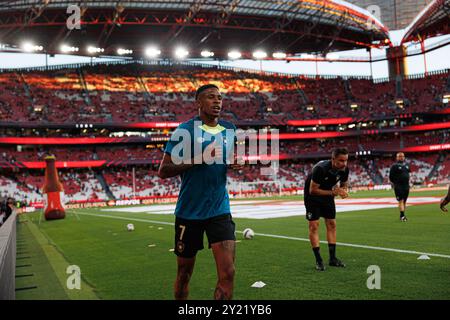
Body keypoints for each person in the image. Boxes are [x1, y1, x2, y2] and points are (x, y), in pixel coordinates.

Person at [158, 84, 241, 300]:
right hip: (189, 212)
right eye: (211, 97)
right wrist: (198, 159)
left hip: (219, 209)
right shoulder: (185, 131)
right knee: (184, 273)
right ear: (198, 103)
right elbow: (164, 170)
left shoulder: (229, 129)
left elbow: (227, 159)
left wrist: (234, 163)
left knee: (228, 272)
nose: (217, 102)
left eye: (220, 98)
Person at [304, 148, 349, 271]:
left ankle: (332, 259)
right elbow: (312, 190)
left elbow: (344, 184)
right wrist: (334, 192)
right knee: (314, 225)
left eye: (346, 160)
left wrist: (344, 191)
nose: (344, 163)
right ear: (333, 159)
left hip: (328, 194)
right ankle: (318, 260)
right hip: (312, 197)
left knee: (332, 224)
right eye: (341, 160)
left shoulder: (345, 169)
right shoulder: (321, 169)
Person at [389, 152, 410, 221]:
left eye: (402, 156)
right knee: (400, 200)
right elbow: (390, 177)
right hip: (399, 186)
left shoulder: (406, 166)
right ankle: (402, 216)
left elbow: (408, 175)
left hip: (406, 186)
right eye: (400, 156)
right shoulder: (394, 166)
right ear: (397, 158)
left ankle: (403, 214)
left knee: (404, 201)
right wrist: (396, 183)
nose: (401, 157)